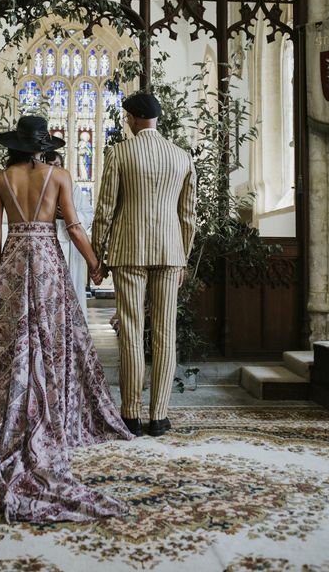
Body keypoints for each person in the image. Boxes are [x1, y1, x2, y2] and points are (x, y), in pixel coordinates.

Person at [0, 115, 133, 523]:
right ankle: (52, 407)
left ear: (15, 146)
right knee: (51, 333)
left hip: (16, 258)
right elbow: (73, 226)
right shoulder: (59, 175)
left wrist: (3, 269)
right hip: (46, 260)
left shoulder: (0, 178)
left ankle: (11, 409)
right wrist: (95, 264)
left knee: (13, 339)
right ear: (43, 145)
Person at [91, 93, 197, 438]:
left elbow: (105, 208)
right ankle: (160, 416)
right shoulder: (182, 157)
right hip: (170, 253)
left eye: (127, 117)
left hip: (129, 251)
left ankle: (132, 414)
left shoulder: (120, 153)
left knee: (132, 332)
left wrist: (98, 254)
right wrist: (183, 257)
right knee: (166, 334)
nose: (127, 122)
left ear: (135, 118)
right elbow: (188, 217)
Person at [45, 150, 94, 321]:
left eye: (57, 165)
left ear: (63, 167)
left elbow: (88, 214)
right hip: (48, 242)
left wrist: (69, 215)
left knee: (72, 287)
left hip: (70, 244)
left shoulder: (72, 188)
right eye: (49, 166)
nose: (53, 169)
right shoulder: (40, 187)